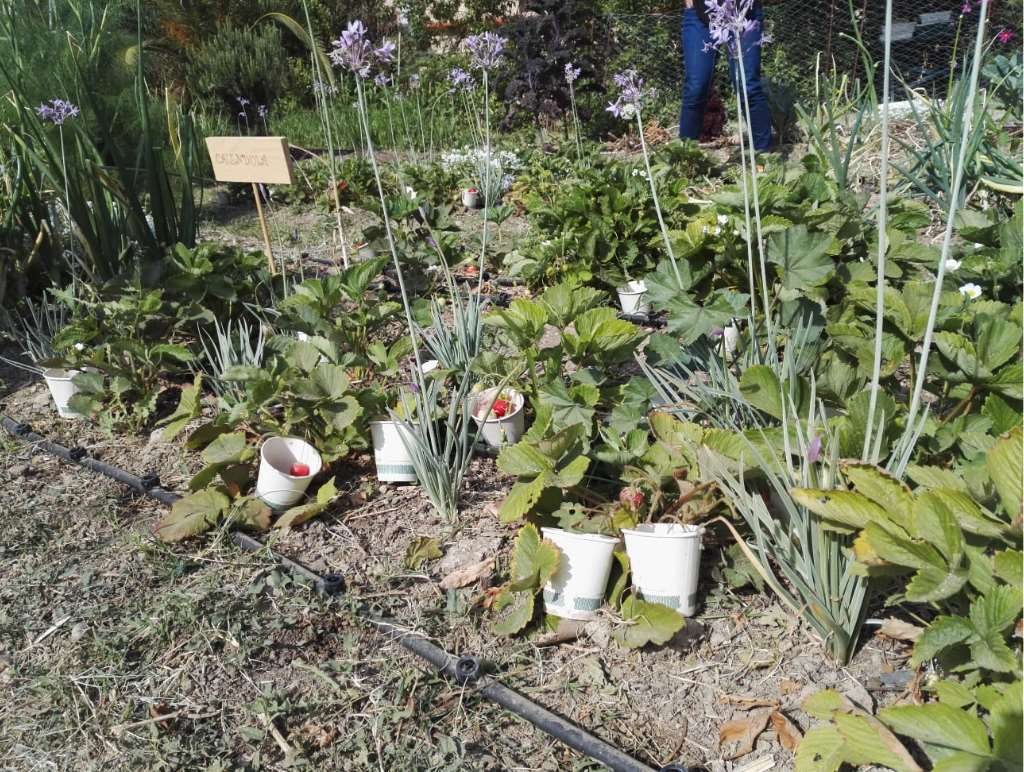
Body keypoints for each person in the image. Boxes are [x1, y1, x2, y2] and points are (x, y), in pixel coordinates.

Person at [679, 0, 773, 151]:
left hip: (744, 13)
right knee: (696, 87)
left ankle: (764, 157)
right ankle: (685, 159)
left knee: (747, 86)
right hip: (700, 15)